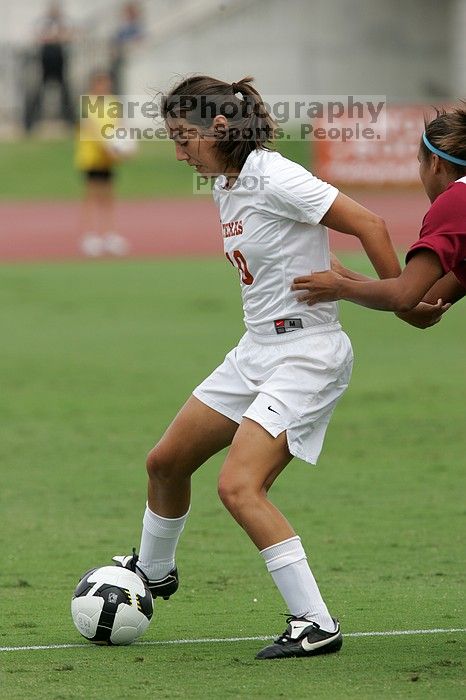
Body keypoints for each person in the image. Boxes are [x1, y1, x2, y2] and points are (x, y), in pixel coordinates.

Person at [112, 75, 401, 660]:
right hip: (255, 352)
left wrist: (395, 297)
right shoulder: (228, 182)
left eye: (183, 137)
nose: (178, 152)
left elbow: (370, 223)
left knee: (239, 487)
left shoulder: (274, 173)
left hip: (306, 356)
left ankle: (315, 624)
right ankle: (155, 572)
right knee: (165, 463)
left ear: (219, 128)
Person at [291, 106, 466, 324]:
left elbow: (404, 297)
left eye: (420, 162)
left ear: (435, 163)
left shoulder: (456, 201)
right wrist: (343, 275)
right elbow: (423, 304)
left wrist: (339, 287)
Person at [75, 70, 133, 257]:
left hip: (108, 158)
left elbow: (119, 127)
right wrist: (106, 146)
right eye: (101, 84)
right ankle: (90, 235)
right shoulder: (87, 103)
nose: (104, 87)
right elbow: (91, 128)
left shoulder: (113, 103)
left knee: (108, 196)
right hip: (91, 156)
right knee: (93, 195)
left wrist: (125, 147)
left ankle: (109, 235)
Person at [24, 1, 75, 133]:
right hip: (46, 61)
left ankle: (73, 123)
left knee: (66, 94)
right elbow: (37, 37)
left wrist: (57, 37)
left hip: (59, 61)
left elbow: (69, 37)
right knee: (37, 93)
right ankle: (28, 123)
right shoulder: (42, 23)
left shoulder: (64, 23)